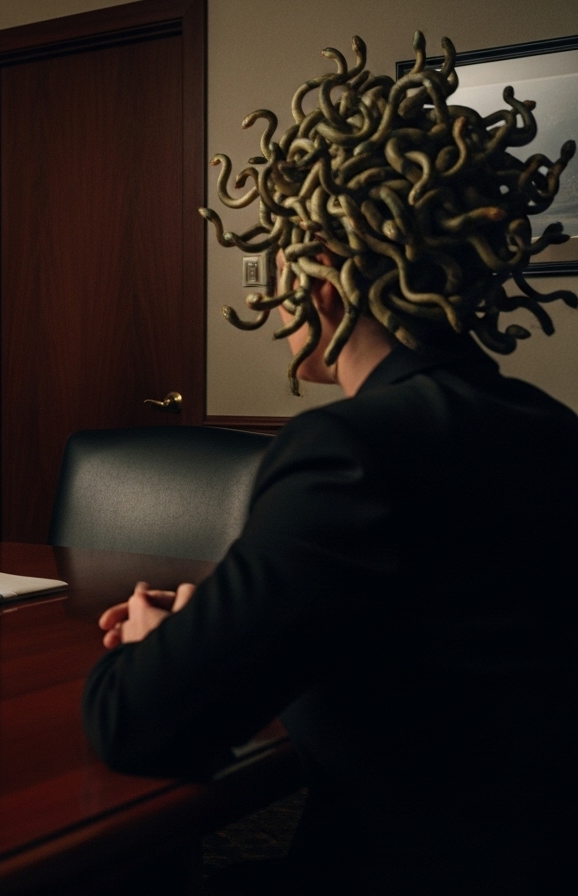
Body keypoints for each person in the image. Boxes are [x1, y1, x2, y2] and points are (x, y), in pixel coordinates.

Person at [82, 34, 578, 894]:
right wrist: (220, 629)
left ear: (323, 277)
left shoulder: (347, 452)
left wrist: (155, 648)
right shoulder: (550, 427)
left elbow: (136, 725)